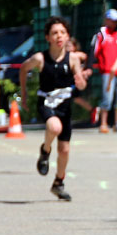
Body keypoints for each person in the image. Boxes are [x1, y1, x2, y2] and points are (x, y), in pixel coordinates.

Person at [20, 16, 86, 201]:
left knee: (64, 150)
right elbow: (23, 69)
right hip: (46, 103)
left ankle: (58, 182)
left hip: (65, 107)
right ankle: (45, 150)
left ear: (67, 36)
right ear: (48, 37)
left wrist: (81, 82)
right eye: (55, 33)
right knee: (54, 127)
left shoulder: (73, 59)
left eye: (62, 32)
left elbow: (81, 84)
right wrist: (24, 94)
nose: (59, 36)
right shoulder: (40, 58)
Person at [89, 9, 117, 133]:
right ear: (106, 20)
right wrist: (89, 67)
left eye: (116, 20)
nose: (114, 23)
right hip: (106, 72)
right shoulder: (101, 34)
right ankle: (103, 124)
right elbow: (94, 51)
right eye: (112, 20)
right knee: (107, 99)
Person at [66, 37, 94, 116]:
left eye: (69, 46)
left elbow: (86, 58)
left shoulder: (77, 55)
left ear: (74, 46)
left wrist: (84, 70)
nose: (67, 48)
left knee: (75, 97)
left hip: (77, 80)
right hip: (71, 80)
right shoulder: (65, 56)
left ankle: (92, 110)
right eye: (66, 46)